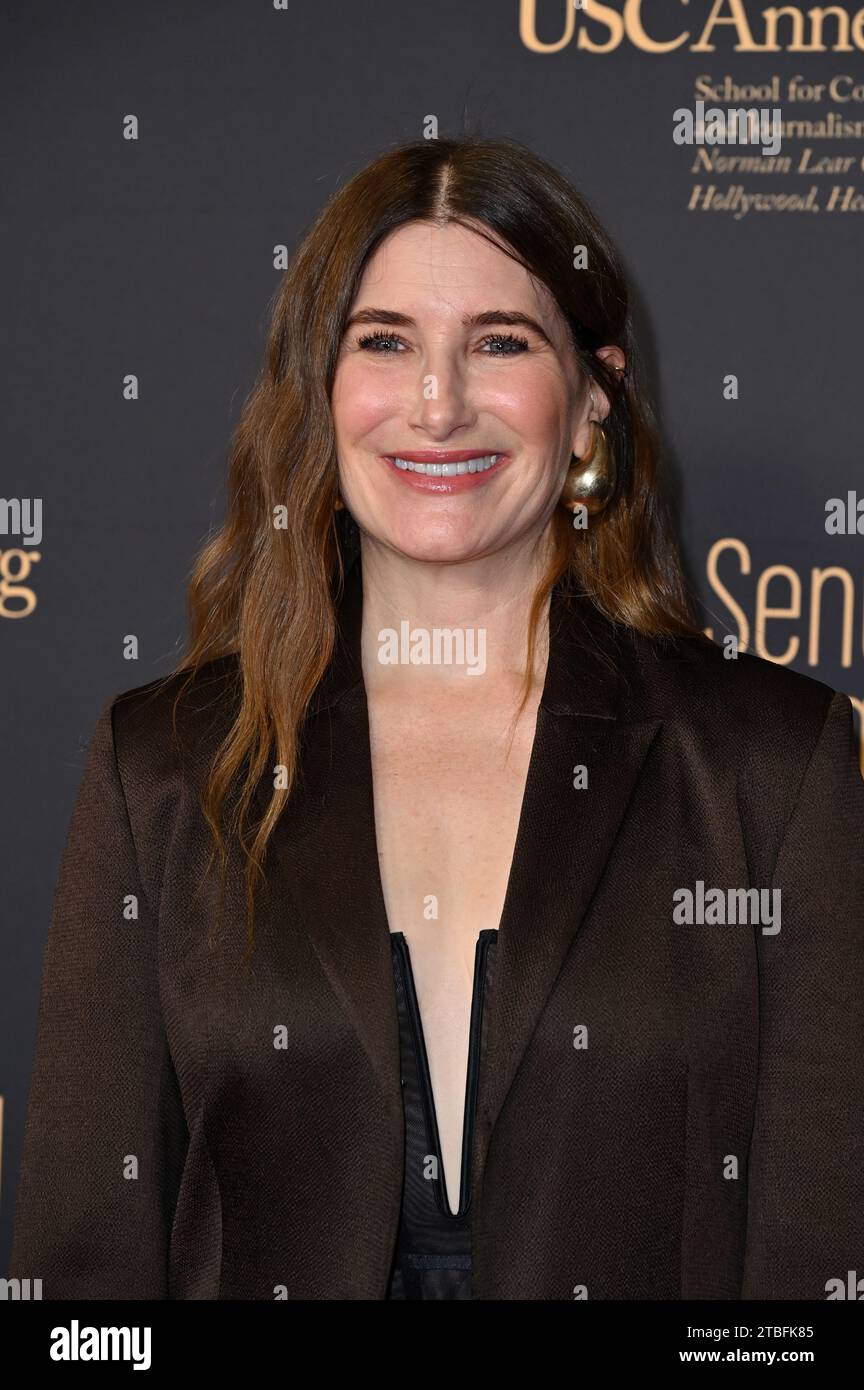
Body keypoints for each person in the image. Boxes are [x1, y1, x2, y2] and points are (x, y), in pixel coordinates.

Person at [10, 136, 864, 1300]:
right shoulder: (162, 768)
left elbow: (819, 1275)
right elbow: (82, 1285)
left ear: (590, 399)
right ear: (321, 391)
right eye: (386, 342)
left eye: (498, 343)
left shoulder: (773, 763)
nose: (438, 402)